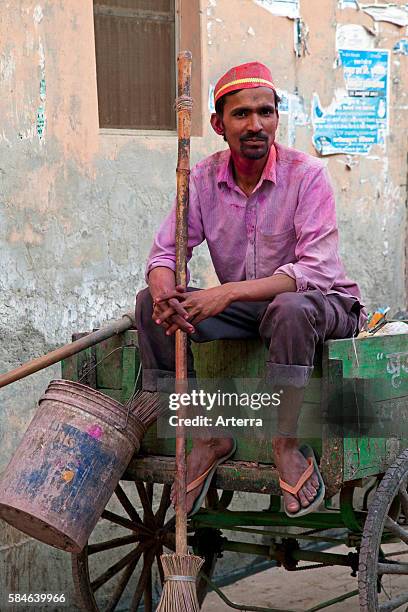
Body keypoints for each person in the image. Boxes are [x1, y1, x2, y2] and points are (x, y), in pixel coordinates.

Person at [135, 61, 365, 517]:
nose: (255, 124)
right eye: (241, 114)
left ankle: (286, 444)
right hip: (257, 309)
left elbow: (315, 272)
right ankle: (206, 436)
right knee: (148, 307)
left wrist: (226, 293)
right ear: (219, 125)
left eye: (265, 111)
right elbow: (165, 254)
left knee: (291, 307)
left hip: (325, 306)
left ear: (277, 117)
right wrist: (162, 286)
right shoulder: (201, 179)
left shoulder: (307, 176)